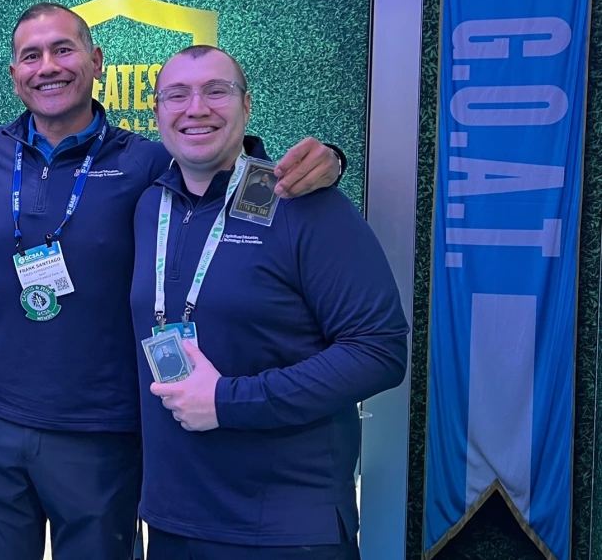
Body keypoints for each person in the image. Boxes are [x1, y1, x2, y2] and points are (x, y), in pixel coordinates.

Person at [0, 2, 345, 560]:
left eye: (63, 50)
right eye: (30, 56)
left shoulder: (146, 160)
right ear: (14, 73)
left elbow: (225, 168)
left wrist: (326, 161)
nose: (48, 66)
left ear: (96, 61)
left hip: (101, 428)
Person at [131, 46, 408, 559]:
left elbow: (380, 350)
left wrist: (228, 401)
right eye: (177, 94)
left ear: (247, 106)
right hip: (174, 523)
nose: (196, 108)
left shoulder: (304, 203)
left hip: (285, 527)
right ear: (157, 113)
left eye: (217, 91)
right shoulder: (150, 204)